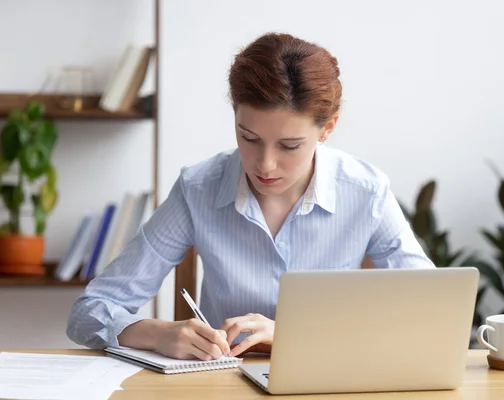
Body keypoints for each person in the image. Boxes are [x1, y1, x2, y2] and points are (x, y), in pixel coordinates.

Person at [66, 32, 435, 361]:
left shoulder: (366, 192)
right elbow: (90, 311)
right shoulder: (199, 188)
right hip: (221, 385)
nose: (266, 165)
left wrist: (295, 336)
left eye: (290, 145)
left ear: (328, 128)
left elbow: (430, 312)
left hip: (329, 381)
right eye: (249, 138)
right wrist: (156, 332)